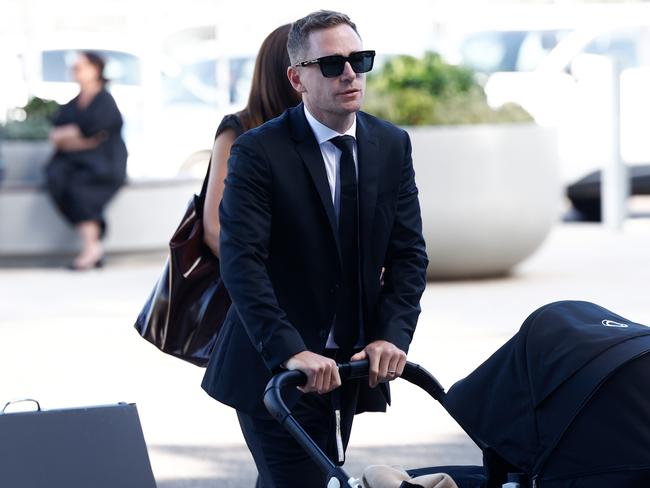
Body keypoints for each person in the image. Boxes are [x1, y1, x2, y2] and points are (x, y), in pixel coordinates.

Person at [201, 10, 428, 488]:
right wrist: (290, 351)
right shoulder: (258, 150)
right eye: (330, 64)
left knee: (316, 475)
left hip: (348, 365)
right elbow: (243, 263)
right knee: (299, 479)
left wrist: (392, 336)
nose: (349, 73)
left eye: (359, 59)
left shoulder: (390, 144)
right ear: (296, 77)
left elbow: (408, 255)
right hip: (273, 367)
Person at [203, 24, 301, 256]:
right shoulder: (238, 130)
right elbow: (214, 228)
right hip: (252, 280)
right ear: (288, 74)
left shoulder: (324, 129)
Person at [46, 51, 127, 270]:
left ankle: (91, 249)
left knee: (81, 189)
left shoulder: (105, 102)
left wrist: (74, 137)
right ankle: (94, 248)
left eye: (81, 66)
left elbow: (95, 136)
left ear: (96, 69)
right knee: (58, 178)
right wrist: (79, 137)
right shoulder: (72, 104)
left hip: (104, 164)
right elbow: (59, 136)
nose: (76, 71)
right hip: (72, 165)